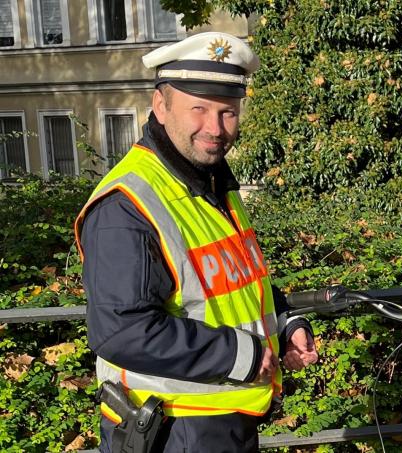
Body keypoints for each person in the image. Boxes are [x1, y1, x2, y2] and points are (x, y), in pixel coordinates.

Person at [74, 32, 319, 452]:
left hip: (221, 419)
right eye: (198, 109)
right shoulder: (128, 204)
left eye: (228, 112)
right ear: (160, 106)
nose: (215, 128)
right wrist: (239, 356)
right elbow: (121, 330)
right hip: (172, 429)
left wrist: (285, 324)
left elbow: (233, 285)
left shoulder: (211, 182)